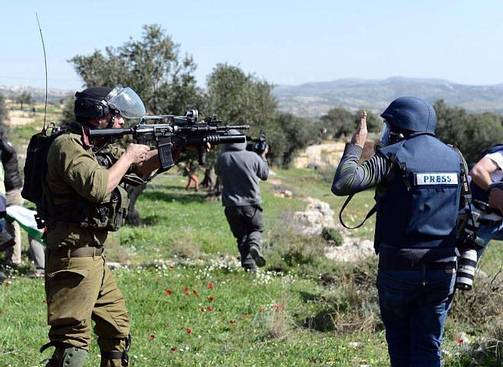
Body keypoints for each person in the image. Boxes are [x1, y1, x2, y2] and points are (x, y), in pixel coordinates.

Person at [332, 97, 462, 367]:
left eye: (388, 125)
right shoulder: (455, 158)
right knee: (428, 346)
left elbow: (344, 182)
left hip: (399, 267)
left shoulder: (391, 157)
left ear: (400, 127)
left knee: (400, 344)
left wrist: (356, 145)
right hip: (444, 268)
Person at [40, 86, 159, 367]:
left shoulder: (97, 147)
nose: (120, 123)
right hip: (72, 258)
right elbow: (98, 187)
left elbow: (138, 170)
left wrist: (174, 149)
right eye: (116, 116)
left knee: (116, 329)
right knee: (73, 344)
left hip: (94, 257)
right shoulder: (67, 146)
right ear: (98, 114)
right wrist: (128, 156)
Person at [215, 132, 269, 272]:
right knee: (255, 230)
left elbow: (217, 171)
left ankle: (249, 268)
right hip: (251, 204)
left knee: (241, 236)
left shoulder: (222, 158)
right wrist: (262, 156)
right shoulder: (253, 157)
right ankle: (255, 247)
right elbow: (264, 175)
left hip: (231, 206)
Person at [0, 126, 45, 275]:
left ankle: (14, 258)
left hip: (12, 191)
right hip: (9, 190)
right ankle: (11, 257)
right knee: (9, 225)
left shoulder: (7, 148)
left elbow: (6, 150)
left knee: (13, 225)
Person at [468, 147, 503, 257]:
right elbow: (478, 171)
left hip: (497, 223)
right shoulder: (500, 155)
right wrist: (492, 189)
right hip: (478, 220)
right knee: (461, 265)